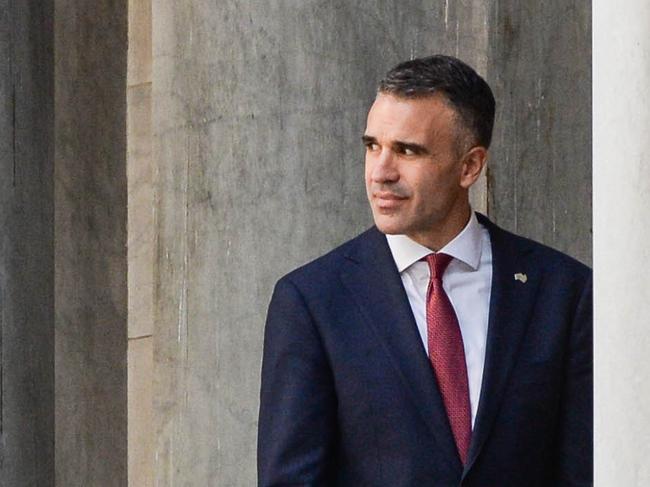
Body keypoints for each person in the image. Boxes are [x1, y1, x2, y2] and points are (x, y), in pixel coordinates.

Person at [257, 54, 592, 486]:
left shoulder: (562, 292)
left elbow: (585, 469)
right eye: (372, 146)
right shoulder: (313, 301)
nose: (380, 172)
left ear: (470, 166)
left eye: (407, 151)